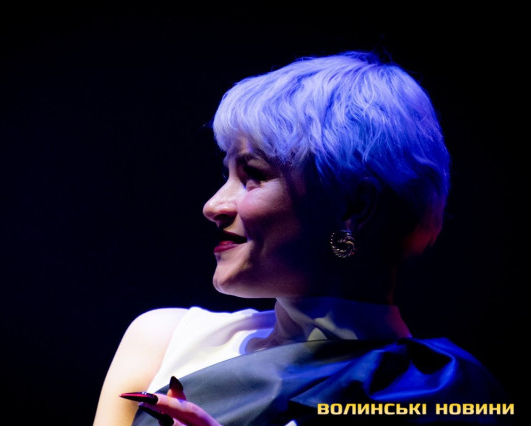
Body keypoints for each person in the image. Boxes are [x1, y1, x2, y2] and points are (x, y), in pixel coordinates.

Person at [93, 51, 512, 425]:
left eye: (253, 175)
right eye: (227, 174)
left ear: (354, 207)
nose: (213, 205)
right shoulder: (164, 340)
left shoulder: (444, 397)